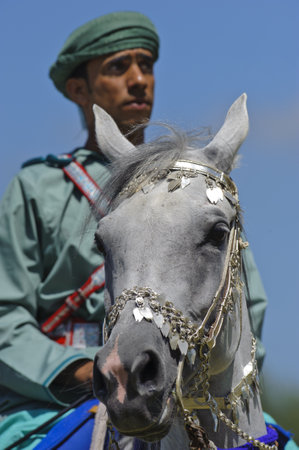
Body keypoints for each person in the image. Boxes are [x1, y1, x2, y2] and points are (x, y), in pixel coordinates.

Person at [0, 11, 267, 449]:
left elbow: (244, 299)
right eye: (118, 67)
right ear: (78, 89)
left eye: (146, 65)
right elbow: (5, 318)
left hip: (187, 385)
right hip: (54, 401)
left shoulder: (196, 190)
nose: (139, 79)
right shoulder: (37, 188)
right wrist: (86, 371)